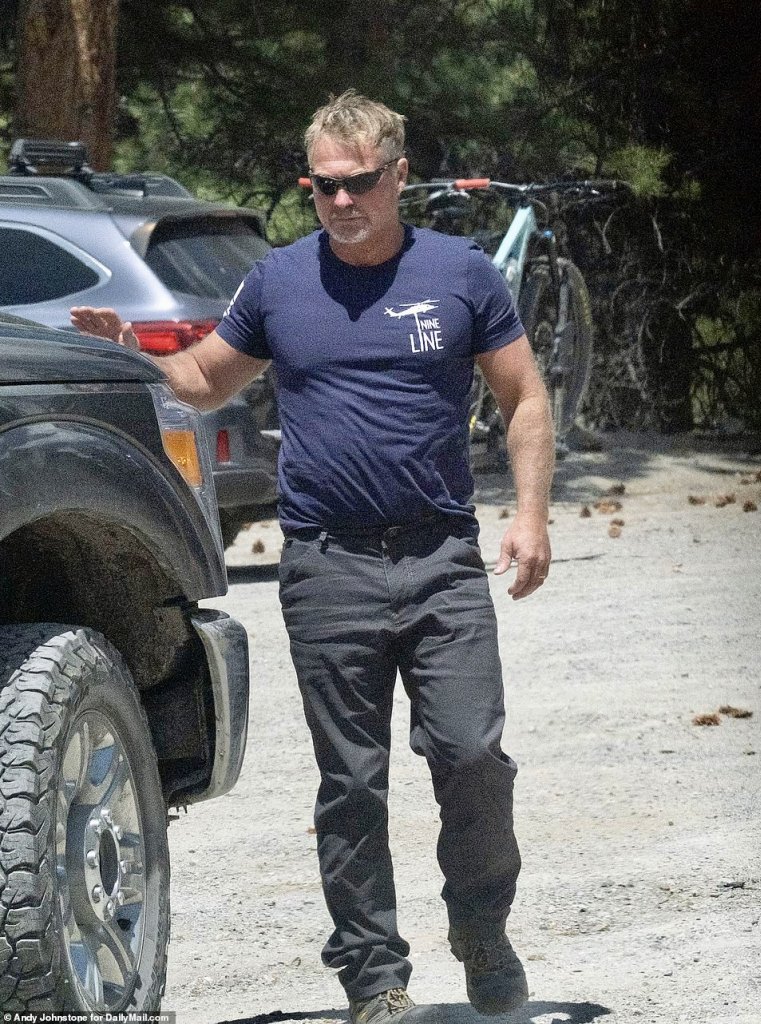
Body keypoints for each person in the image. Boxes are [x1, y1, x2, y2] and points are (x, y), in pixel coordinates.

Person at [72, 90, 554, 1024]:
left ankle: (481, 928)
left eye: (359, 182)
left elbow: (524, 397)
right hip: (327, 566)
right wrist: (136, 352)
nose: (340, 201)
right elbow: (204, 379)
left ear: (398, 175)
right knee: (352, 780)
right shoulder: (280, 281)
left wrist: (530, 517)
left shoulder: (459, 274)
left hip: (441, 558)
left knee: (473, 756)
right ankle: (373, 979)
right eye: (323, 185)